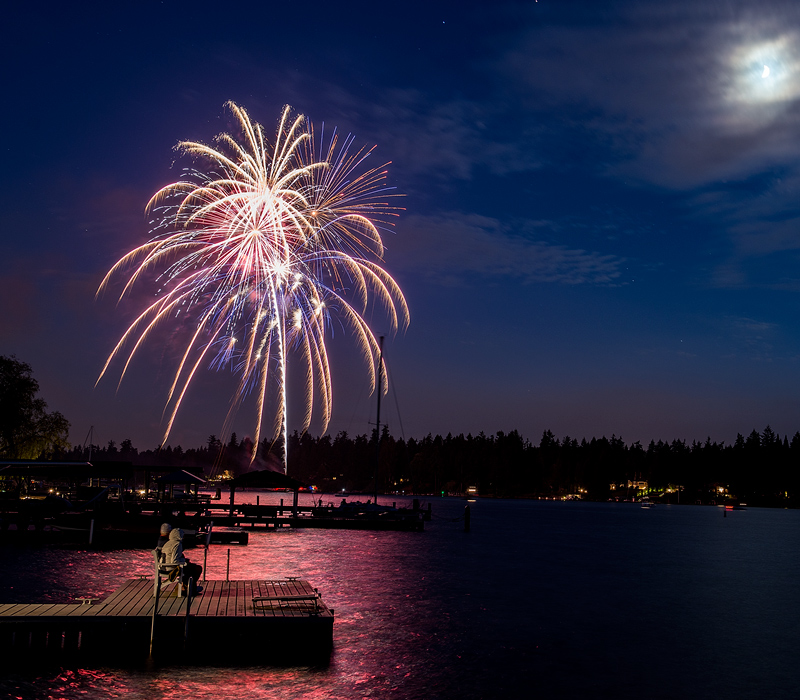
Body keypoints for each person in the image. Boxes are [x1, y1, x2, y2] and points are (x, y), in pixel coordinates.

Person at [161, 527, 202, 594]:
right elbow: (174, 561)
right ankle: (190, 588)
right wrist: (184, 561)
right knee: (197, 568)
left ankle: (185, 587)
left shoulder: (167, 544)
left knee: (190, 567)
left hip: (163, 566)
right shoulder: (177, 544)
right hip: (171, 568)